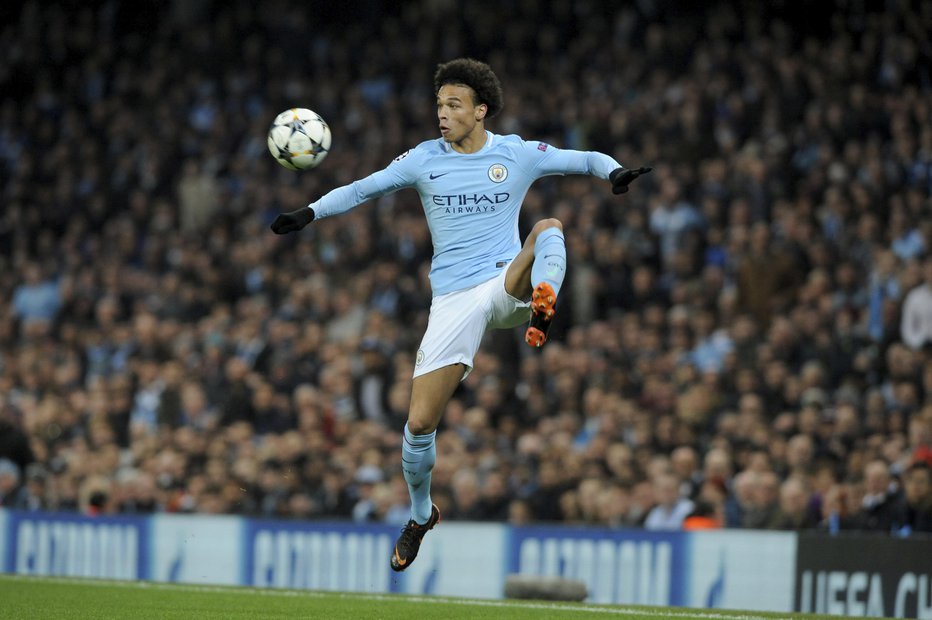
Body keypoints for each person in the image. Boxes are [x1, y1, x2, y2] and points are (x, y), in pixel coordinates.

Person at [271, 58, 651, 571]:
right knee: (419, 423)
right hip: (452, 300)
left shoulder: (515, 153)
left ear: (480, 110)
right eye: (439, 105)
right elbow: (362, 189)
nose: (442, 114)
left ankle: (545, 303)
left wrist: (614, 172)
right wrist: (308, 213)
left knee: (548, 225)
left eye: (453, 105)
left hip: (504, 282)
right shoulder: (423, 159)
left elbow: (581, 158)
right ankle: (420, 515)